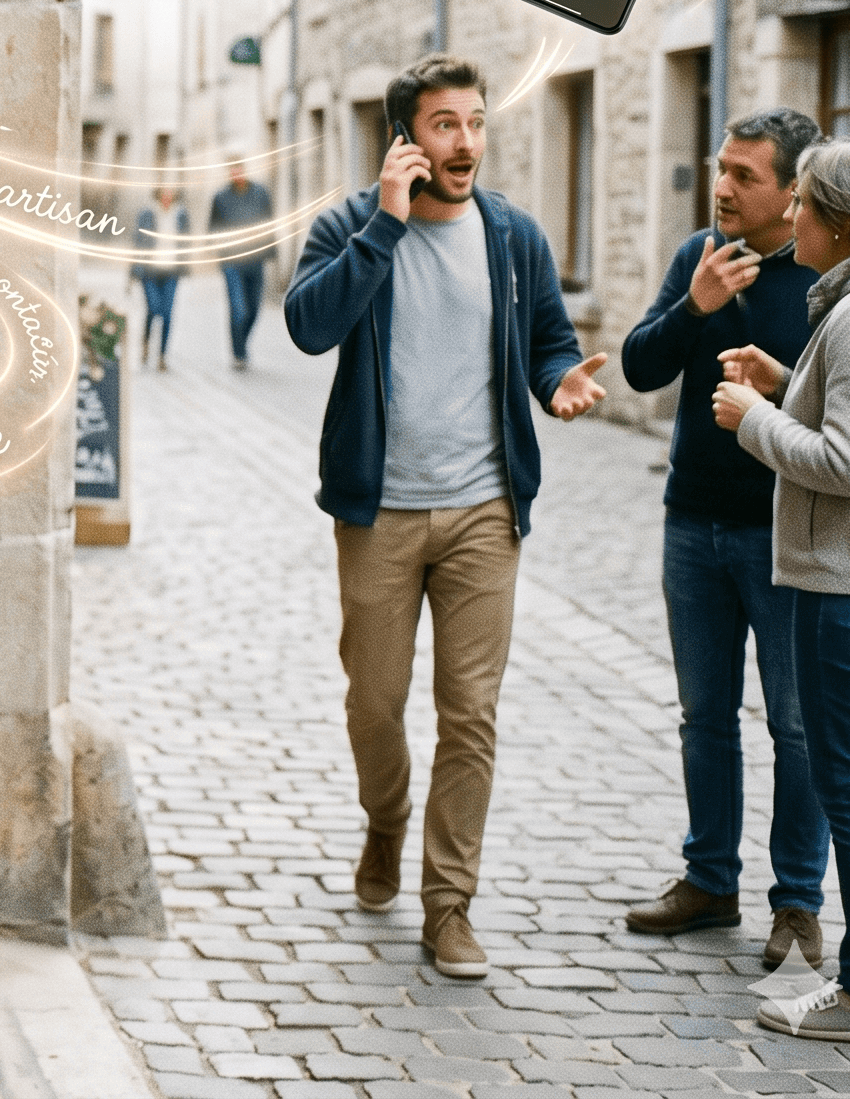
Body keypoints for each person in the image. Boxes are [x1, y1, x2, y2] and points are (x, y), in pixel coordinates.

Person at [283, 53, 608, 980]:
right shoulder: (351, 224)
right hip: (378, 511)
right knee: (374, 704)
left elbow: (548, 342)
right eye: (444, 126)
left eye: (474, 123)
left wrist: (558, 383)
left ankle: (449, 905)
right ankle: (384, 821)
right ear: (405, 141)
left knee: (470, 714)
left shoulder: (512, 236)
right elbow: (309, 327)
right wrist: (384, 225)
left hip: (482, 512)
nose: (465, 143)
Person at [618, 107, 828, 970]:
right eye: (721, 169)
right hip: (691, 524)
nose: (724, 188)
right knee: (705, 716)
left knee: (796, 726)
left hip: (784, 536)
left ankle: (798, 905)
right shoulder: (697, 256)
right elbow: (639, 366)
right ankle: (709, 880)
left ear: (793, 193)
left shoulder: (827, 278)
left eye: (746, 175)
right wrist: (694, 306)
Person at [719, 139, 850, 1046]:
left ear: (841, 222)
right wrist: (789, 386)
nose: (789, 215)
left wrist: (755, 421)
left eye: (804, 203)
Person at [210, 160, 277, 368]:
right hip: (232, 262)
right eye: (233, 171)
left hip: (255, 260)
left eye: (240, 170)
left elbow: (269, 223)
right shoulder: (220, 197)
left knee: (254, 309)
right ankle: (239, 353)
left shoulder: (260, 193)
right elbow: (213, 228)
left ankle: (242, 343)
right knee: (238, 309)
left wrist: (271, 251)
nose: (237, 175)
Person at [132, 186, 190, 371]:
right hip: (150, 271)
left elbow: (186, 240)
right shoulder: (148, 213)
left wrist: (185, 264)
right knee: (153, 308)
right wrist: (134, 269)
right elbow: (138, 241)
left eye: (170, 192)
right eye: (164, 192)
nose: (167, 195)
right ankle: (146, 344)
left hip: (171, 270)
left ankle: (162, 355)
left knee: (167, 313)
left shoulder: (180, 214)